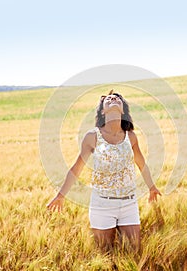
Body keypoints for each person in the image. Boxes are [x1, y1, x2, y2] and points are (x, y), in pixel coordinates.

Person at [47, 90, 161, 252]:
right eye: (109, 99)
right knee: (105, 253)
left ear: (123, 110)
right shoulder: (93, 136)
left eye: (118, 98)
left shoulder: (131, 136)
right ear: (102, 111)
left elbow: (141, 164)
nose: (114, 98)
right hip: (102, 204)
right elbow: (76, 168)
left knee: (134, 250)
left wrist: (152, 187)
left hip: (129, 202)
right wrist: (60, 195)